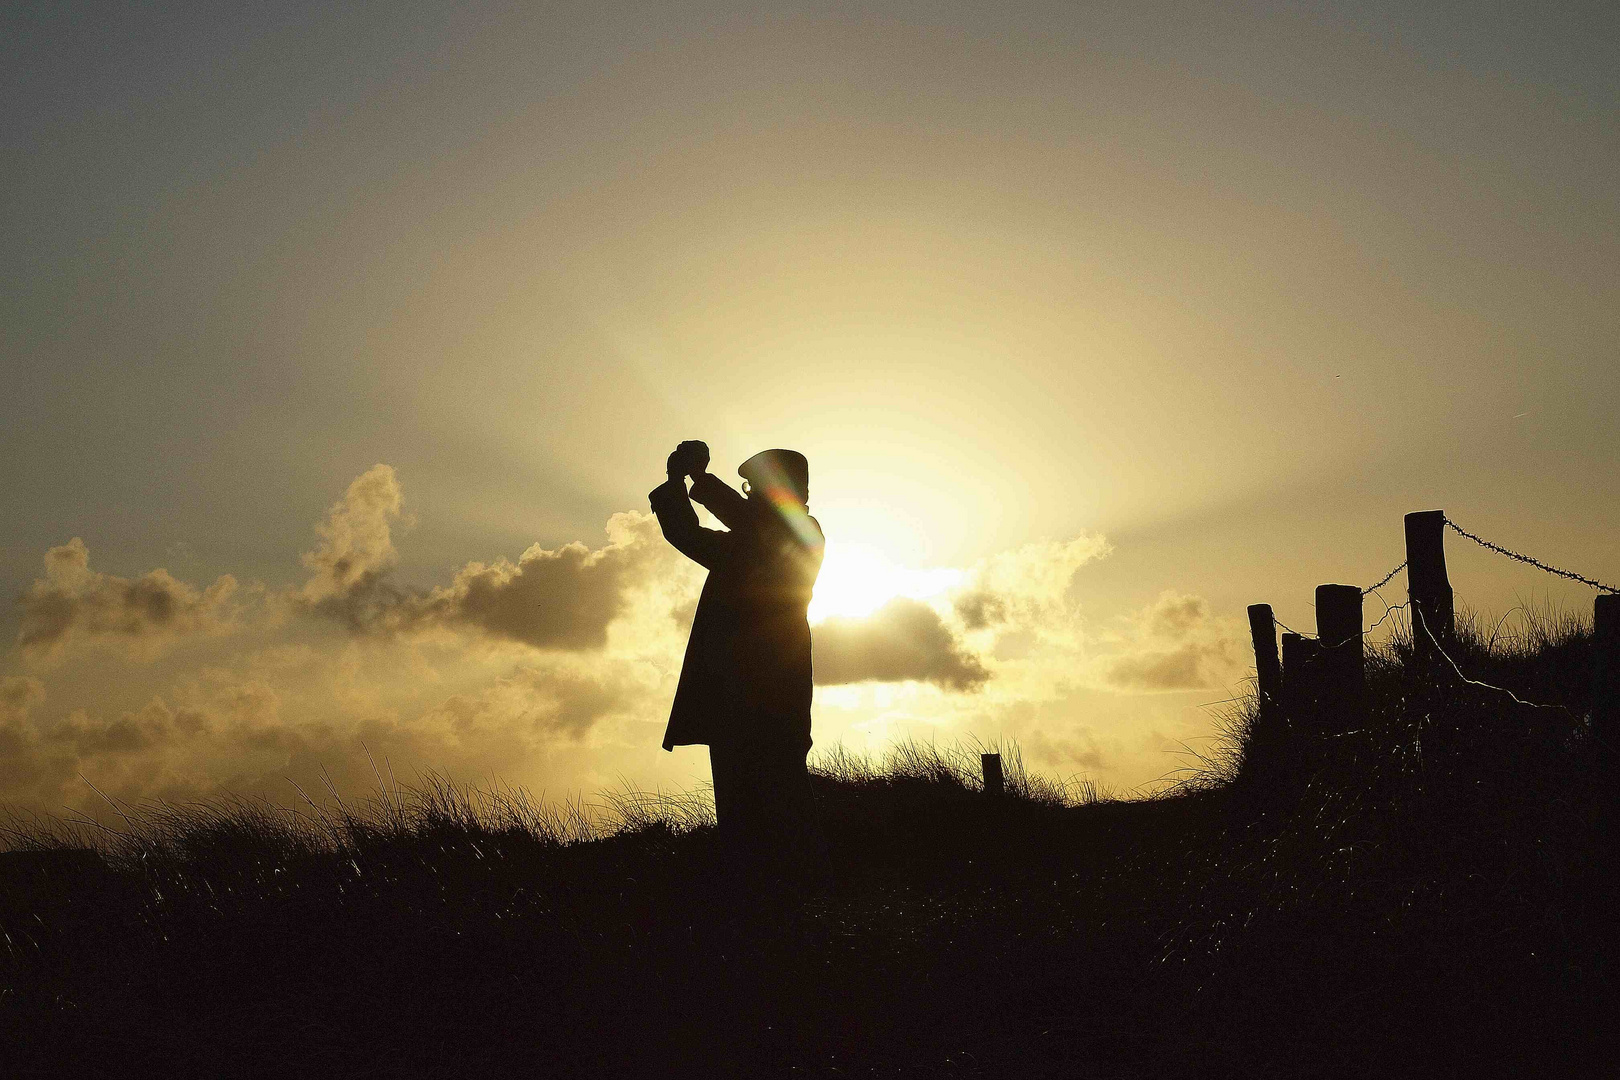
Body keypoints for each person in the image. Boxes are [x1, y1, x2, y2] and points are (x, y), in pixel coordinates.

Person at [649, 441, 825, 861]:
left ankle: (791, 888)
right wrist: (678, 481)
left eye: (757, 486)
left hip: (775, 689)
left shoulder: (802, 533)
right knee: (738, 804)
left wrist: (699, 479)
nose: (749, 495)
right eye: (747, 488)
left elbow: (752, 524)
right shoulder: (742, 546)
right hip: (731, 692)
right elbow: (686, 535)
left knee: (780, 795)